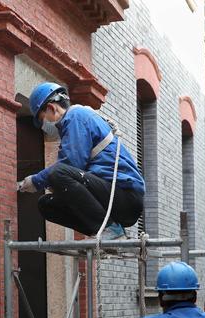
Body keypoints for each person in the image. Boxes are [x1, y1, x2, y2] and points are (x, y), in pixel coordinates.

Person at [17, 82, 145, 240]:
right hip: (108, 197)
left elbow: (70, 165)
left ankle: (109, 231)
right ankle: (101, 232)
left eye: (44, 119)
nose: (46, 126)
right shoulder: (75, 121)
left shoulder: (75, 117)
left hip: (125, 198)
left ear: (52, 108)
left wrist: (36, 181)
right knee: (47, 205)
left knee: (58, 173)